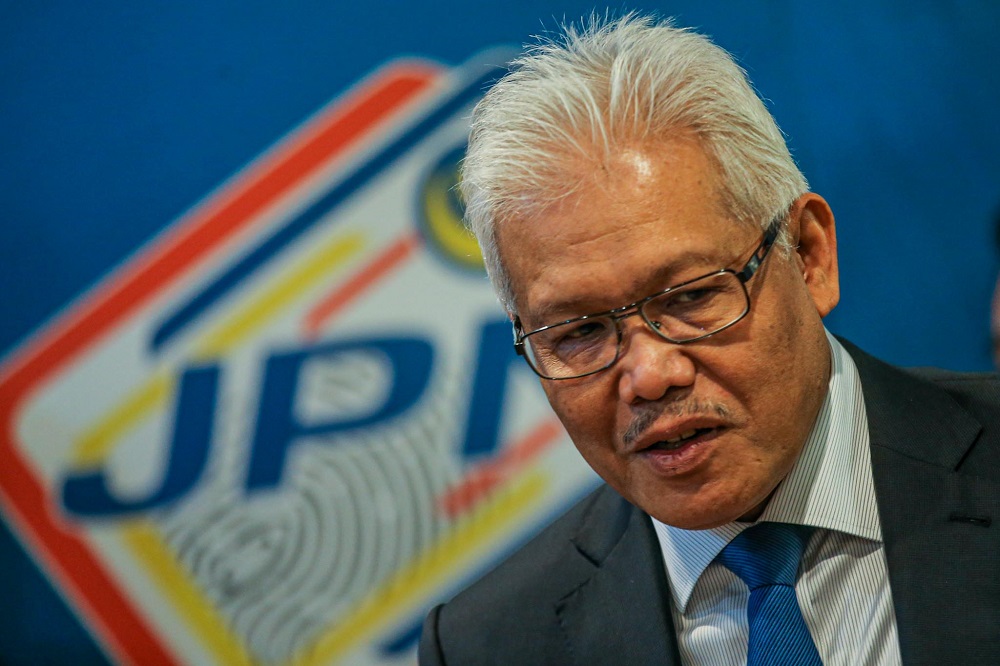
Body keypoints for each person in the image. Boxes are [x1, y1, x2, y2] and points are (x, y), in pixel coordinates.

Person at [419, 14, 1000, 666]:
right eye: (580, 331)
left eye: (691, 296)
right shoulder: (490, 645)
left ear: (809, 256)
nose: (648, 374)